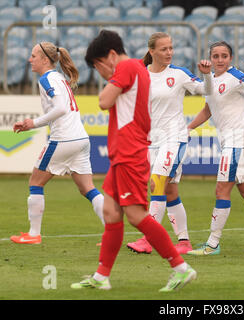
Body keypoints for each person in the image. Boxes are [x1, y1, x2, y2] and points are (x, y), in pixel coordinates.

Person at [71, 30, 196, 292]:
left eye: (98, 66)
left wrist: (112, 79)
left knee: (136, 215)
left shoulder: (127, 67)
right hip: (125, 153)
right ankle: (101, 276)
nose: (100, 73)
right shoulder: (139, 69)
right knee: (111, 213)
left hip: (130, 153)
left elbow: (104, 101)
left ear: (112, 55)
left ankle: (180, 267)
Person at [126, 32, 213, 255]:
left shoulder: (179, 74)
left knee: (157, 183)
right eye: (164, 49)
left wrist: (208, 75)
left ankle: (149, 239)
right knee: (170, 191)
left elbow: (208, 92)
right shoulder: (141, 75)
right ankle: (184, 242)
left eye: (171, 48)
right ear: (152, 51)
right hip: (151, 141)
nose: (169, 53)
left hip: (175, 137)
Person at [10, 42, 105, 245]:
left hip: (64, 139)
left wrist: (32, 123)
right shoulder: (59, 78)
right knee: (88, 189)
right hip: (81, 139)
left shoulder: (46, 79)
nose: (30, 60)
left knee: (35, 183)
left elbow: (61, 108)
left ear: (45, 59)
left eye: (33, 56)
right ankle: (112, 233)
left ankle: (34, 234)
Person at [185, 41, 244, 256]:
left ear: (230, 58)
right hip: (230, 141)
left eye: (224, 56)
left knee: (222, 190)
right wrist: (187, 128)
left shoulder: (236, 76)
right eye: (215, 56)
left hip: (238, 140)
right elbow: (208, 110)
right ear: (210, 58)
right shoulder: (211, 80)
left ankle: (212, 244)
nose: (219, 60)